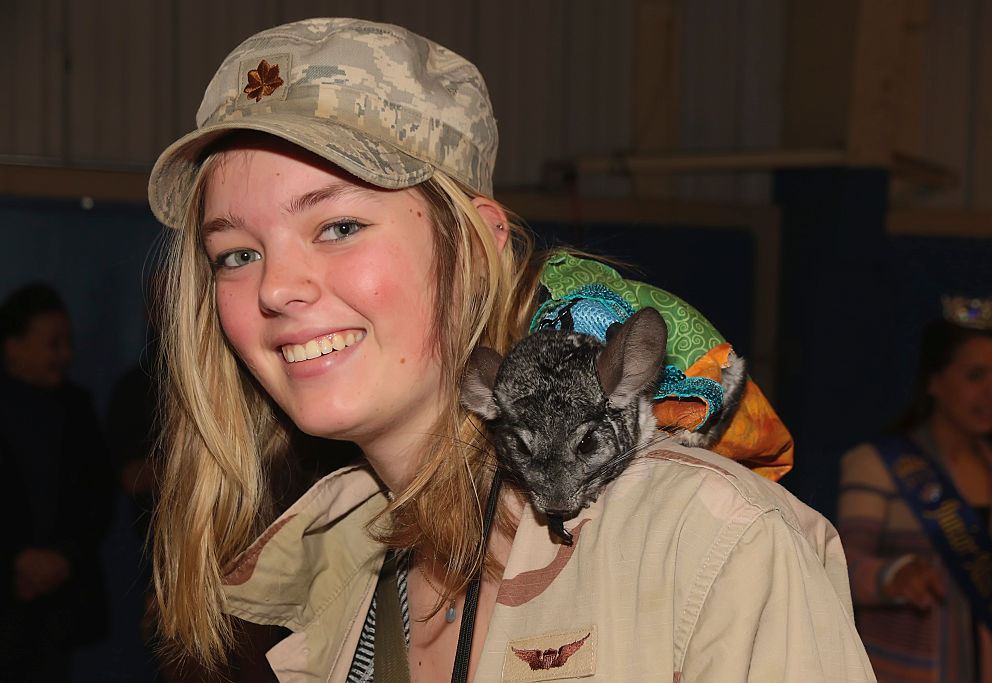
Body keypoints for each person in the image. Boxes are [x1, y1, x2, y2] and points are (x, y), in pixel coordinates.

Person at [147, 17, 875, 681]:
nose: (276, 287)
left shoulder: (708, 547)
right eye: (235, 254)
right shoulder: (326, 569)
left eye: (338, 226)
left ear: (475, 244)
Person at [838, 298, 992, 682]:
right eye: (976, 376)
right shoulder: (877, 465)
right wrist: (892, 575)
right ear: (934, 381)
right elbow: (841, 568)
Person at [0, 283, 114, 682]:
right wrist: (14, 558)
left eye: (68, 342)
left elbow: (99, 494)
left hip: (60, 603)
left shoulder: (76, 407)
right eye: (53, 343)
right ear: (12, 347)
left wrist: (62, 558)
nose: (66, 355)